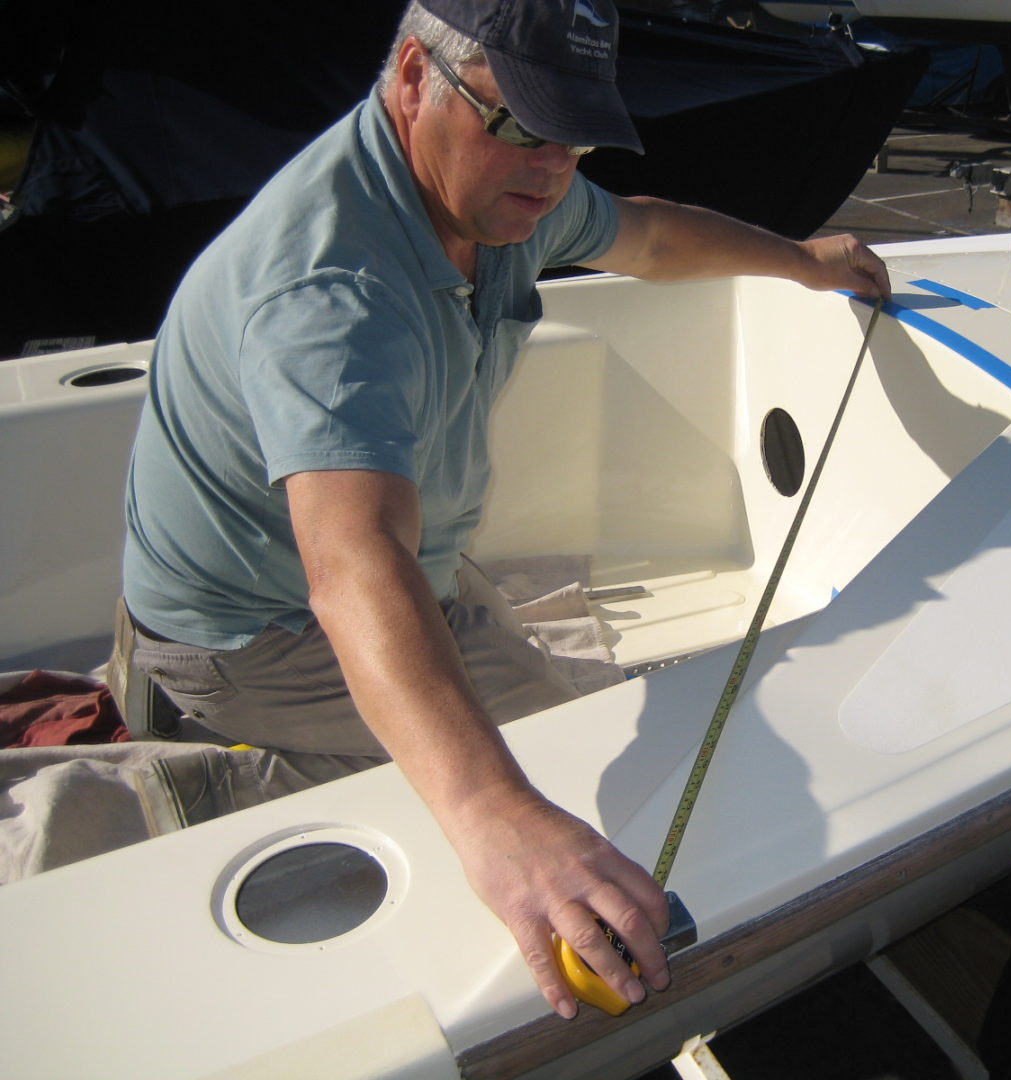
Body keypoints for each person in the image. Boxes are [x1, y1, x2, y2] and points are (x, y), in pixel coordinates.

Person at [115, 0, 890, 1019]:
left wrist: (804, 259)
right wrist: (497, 818)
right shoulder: (332, 293)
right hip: (253, 639)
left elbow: (649, 236)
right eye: (519, 124)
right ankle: (199, 781)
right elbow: (353, 565)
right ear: (409, 78)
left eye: (575, 135)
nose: (550, 166)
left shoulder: (497, 195)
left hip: (386, 569)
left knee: (570, 705)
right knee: (584, 764)